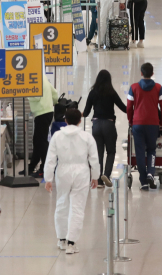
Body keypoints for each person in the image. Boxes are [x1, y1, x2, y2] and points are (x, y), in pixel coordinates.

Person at [44, 109, 99, 255]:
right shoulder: (87, 137)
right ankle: (71, 243)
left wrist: (48, 178)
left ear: (65, 120)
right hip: (81, 172)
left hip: (62, 171)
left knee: (61, 203)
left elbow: (50, 159)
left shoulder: (57, 136)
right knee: (77, 207)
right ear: (80, 120)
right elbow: (94, 159)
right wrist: (95, 176)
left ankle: (61, 239)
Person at [127, 62, 162, 191]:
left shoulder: (133, 88)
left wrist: (131, 121)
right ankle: (151, 173)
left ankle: (143, 182)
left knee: (139, 152)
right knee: (151, 149)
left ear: (141, 73)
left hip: (138, 124)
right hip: (153, 124)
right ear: (152, 74)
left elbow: (129, 107)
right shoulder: (158, 88)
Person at [83, 70, 127, 187]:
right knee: (111, 151)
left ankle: (99, 180)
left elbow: (86, 112)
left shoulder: (93, 93)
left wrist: (77, 113)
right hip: (109, 125)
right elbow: (123, 108)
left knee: (99, 153)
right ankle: (106, 175)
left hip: (96, 125)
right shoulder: (111, 92)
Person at [24, 73, 59, 178]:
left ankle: (45, 169)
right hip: (47, 112)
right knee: (38, 140)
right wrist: (52, 102)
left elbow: (36, 96)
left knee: (41, 142)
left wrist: (26, 94)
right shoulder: (42, 76)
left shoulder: (33, 78)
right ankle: (32, 167)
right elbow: (55, 93)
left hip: (41, 113)